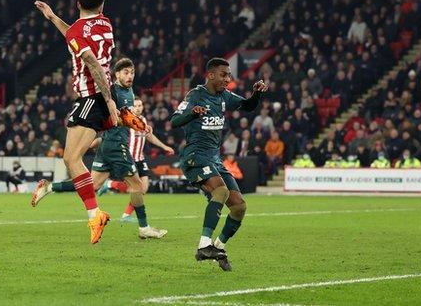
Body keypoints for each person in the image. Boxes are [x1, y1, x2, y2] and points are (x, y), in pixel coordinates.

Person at [33, 58, 167, 239]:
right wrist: (140, 126)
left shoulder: (129, 92)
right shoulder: (113, 92)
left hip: (106, 144)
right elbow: (119, 117)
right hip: (116, 144)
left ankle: (49, 187)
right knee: (138, 186)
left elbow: (124, 117)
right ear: (117, 74)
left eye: (132, 72)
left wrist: (140, 126)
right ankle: (144, 228)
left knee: (92, 185)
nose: (130, 76)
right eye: (126, 72)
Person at [31, 0, 120, 244]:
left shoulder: (77, 32)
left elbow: (91, 62)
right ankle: (94, 215)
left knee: (71, 160)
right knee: (72, 159)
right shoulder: (104, 23)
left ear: (78, 2)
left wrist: (109, 101)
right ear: (102, 7)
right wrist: (52, 17)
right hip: (98, 97)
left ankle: (95, 215)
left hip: (93, 97)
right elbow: (76, 34)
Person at [171, 57, 267, 271]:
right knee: (221, 191)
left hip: (214, 158)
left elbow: (248, 106)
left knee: (239, 206)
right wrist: (191, 113)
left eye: (229, 75)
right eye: (223, 75)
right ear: (211, 75)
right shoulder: (195, 95)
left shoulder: (224, 96)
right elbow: (174, 120)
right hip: (195, 155)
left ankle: (217, 247)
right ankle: (204, 245)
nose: (228, 78)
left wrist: (257, 94)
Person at [115, 98, 175, 223]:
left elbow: (149, 136)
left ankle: (126, 215)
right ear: (131, 108)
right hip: (129, 158)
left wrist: (164, 147)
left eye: (140, 105)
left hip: (140, 158)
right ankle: (110, 185)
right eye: (135, 106)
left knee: (144, 189)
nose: (138, 108)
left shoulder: (143, 120)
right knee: (134, 188)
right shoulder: (126, 120)